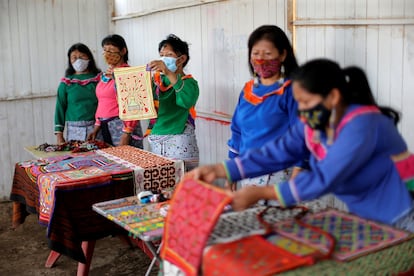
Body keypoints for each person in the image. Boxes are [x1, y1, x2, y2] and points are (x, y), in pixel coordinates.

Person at [187, 58, 414, 232]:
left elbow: (325, 177)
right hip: (371, 214)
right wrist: (219, 169)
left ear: (333, 97)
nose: (302, 111)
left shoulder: (362, 124)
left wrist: (259, 193)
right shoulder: (315, 123)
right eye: (299, 103)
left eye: (306, 102)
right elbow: (277, 152)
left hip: (404, 212)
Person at [226, 25, 306, 194]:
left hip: (279, 175)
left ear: (283, 55)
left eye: (268, 54)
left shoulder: (292, 91)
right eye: (255, 54)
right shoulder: (247, 91)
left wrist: (294, 182)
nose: (261, 60)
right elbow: (237, 131)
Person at [146, 34, 199, 171]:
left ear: (181, 59)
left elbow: (186, 102)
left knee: (182, 185)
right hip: (156, 138)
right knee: (161, 187)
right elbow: (140, 103)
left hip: (180, 139)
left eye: (168, 54)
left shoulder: (189, 82)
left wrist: (169, 72)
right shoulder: (155, 81)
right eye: (161, 54)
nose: (163, 59)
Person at [87, 34, 143, 148]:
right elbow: (102, 102)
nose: (108, 53)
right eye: (105, 50)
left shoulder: (128, 74)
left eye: (112, 50)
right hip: (104, 127)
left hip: (122, 127)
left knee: (127, 161)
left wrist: (127, 133)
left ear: (123, 51)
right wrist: (96, 127)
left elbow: (134, 106)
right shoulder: (105, 75)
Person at [54, 43, 101, 144]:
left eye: (82, 56)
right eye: (74, 58)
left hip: (97, 129)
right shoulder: (66, 83)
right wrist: (59, 135)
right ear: (70, 61)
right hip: (74, 131)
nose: (78, 60)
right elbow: (60, 108)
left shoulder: (99, 79)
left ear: (89, 57)